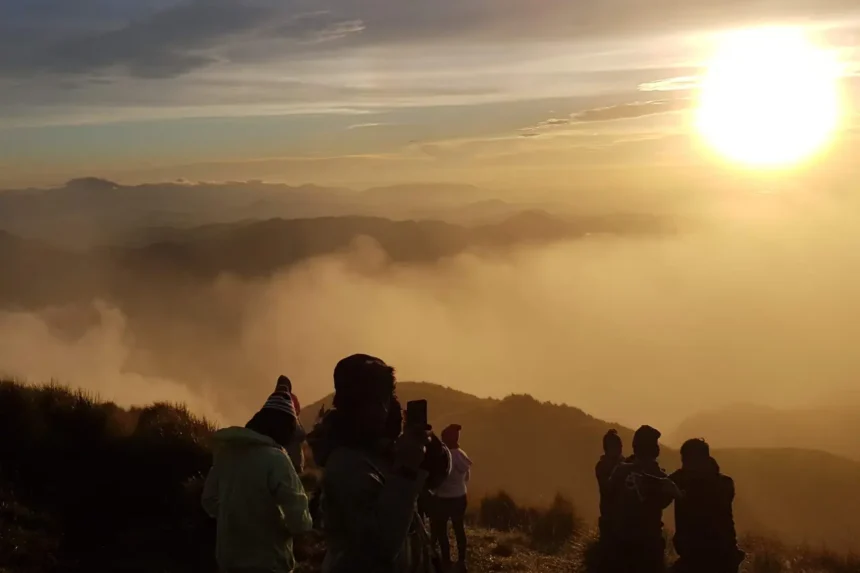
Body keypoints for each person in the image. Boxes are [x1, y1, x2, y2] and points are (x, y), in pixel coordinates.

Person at [308, 354, 451, 573]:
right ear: (356, 405)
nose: (390, 406)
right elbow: (378, 548)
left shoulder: (382, 449)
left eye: (390, 396)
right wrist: (406, 468)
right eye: (380, 398)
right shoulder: (346, 464)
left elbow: (437, 476)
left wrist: (431, 449)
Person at [201, 392, 313, 573]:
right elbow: (299, 520)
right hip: (268, 562)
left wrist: (234, 517)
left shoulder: (227, 455)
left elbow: (208, 500)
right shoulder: (277, 459)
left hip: (229, 559)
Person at [604, 425, 682, 573]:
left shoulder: (620, 471)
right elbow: (664, 502)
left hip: (620, 542)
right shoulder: (661, 479)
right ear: (654, 449)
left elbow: (608, 497)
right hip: (648, 544)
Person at [670, 439, 745, 573]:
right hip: (721, 557)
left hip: (708, 558)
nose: (683, 466)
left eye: (685, 461)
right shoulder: (724, 483)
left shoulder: (685, 482)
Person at [431, 424, 472, 572]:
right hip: (460, 496)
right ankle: (461, 560)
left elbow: (436, 479)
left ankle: (446, 560)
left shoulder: (442, 456)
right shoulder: (462, 455)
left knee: (441, 530)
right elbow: (466, 478)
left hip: (442, 498)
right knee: (459, 528)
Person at [273, 375, 306, 474]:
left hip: (278, 460)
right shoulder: (292, 399)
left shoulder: (274, 398)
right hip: (292, 460)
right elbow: (301, 435)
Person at [595, 429, 625, 540]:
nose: (621, 449)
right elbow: (607, 488)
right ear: (609, 448)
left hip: (623, 517)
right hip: (609, 516)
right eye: (618, 446)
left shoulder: (623, 464)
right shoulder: (602, 467)